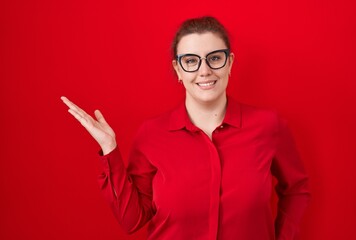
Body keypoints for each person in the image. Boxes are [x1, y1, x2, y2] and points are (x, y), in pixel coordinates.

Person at [61, 16, 310, 240]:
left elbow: (296, 189)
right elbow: (132, 220)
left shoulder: (268, 126)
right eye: (191, 61)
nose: (204, 71)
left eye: (214, 58)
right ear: (178, 69)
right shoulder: (151, 135)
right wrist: (109, 149)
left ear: (230, 62)